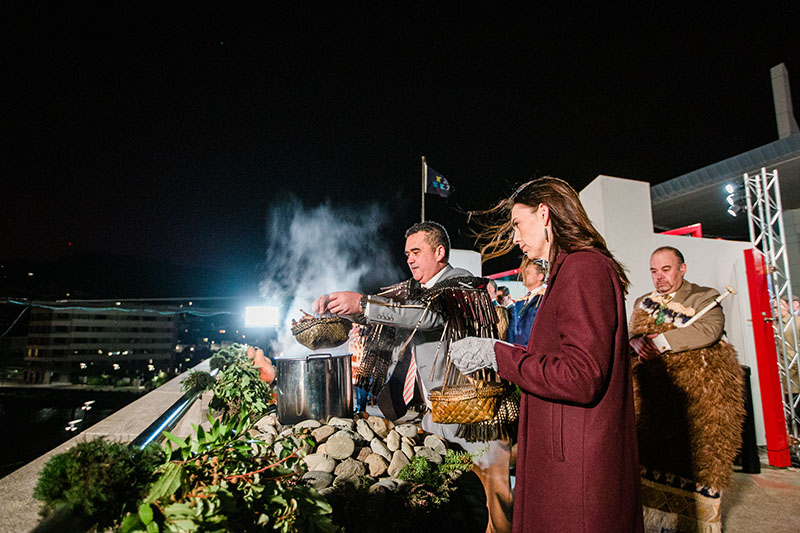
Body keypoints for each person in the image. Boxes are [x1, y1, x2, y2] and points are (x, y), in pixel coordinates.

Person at [449, 177, 644, 533]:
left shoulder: (584, 268)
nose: (515, 239)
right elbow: (559, 354)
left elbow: (581, 376)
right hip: (567, 454)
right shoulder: (568, 270)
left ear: (545, 213)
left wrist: (499, 356)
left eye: (518, 225)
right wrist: (505, 351)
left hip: (576, 469)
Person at [314, 221, 512, 533]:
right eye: (407, 254)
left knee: (495, 509)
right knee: (456, 504)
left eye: (416, 251)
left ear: (440, 252)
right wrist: (352, 311)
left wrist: (364, 303)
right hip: (436, 416)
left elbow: (427, 315)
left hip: (474, 419)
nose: (410, 259)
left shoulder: (459, 282)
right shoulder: (418, 293)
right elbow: (394, 319)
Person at [628, 246, 744, 533]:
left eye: (666, 270)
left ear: (682, 269)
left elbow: (710, 329)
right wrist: (635, 342)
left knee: (699, 463)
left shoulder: (704, 297)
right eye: (654, 271)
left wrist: (662, 342)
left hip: (698, 402)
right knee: (653, 462)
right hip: (654, 399)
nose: (659, 277)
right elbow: (632, 331)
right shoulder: (643, 302)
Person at [507, 258, 546, 345]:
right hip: (517, 351)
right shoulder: (520, 302)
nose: (524, 275)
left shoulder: (544, 299)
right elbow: (512, 329)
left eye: (528, 273)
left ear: (540, 276)